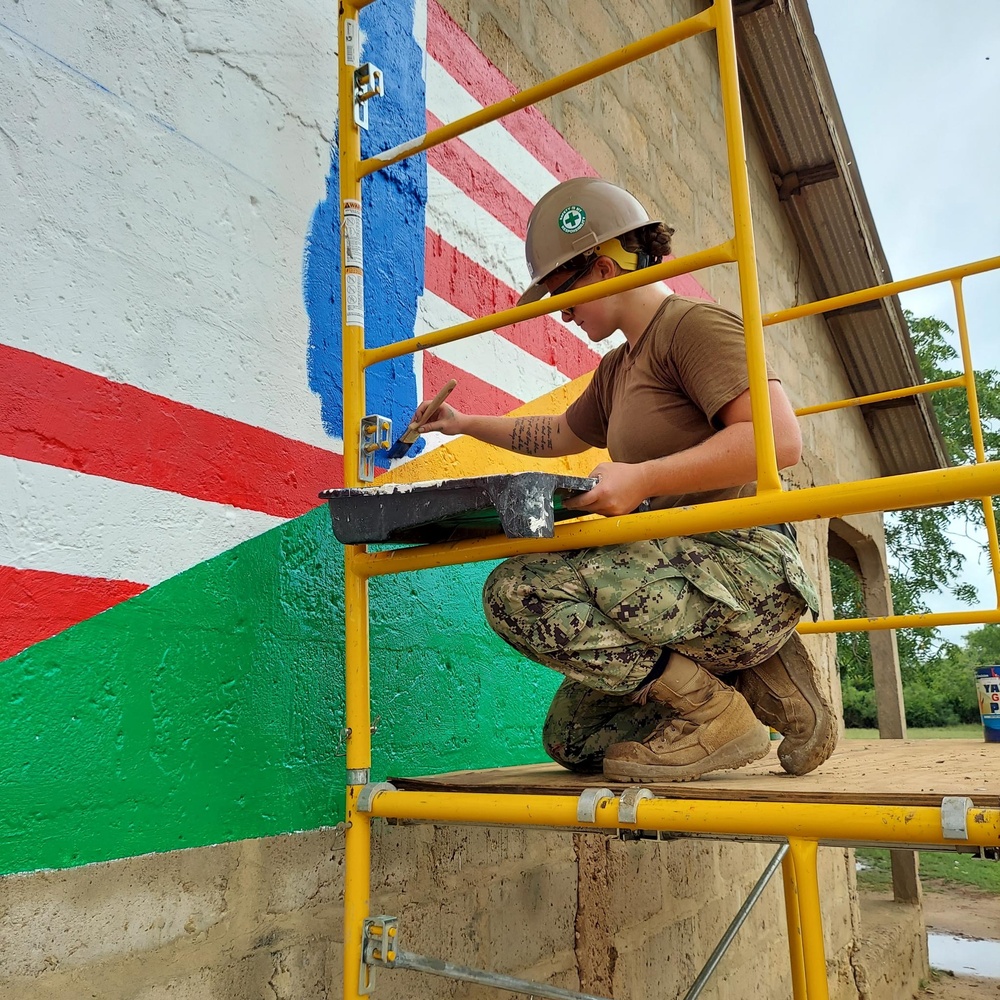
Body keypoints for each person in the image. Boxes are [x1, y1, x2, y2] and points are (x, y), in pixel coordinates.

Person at [414, 176, 836, 782]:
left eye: (562, 289)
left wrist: (640, 480)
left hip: (739, 561)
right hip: (672, 566)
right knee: (577, 741)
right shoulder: (617, 368)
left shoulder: (694, 327)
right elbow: (560, 435)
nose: (559, 308)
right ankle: (761, 676)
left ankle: (716, 713)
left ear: (604, 267)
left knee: (517, 591)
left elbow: (779, 441)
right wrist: (462, 424)